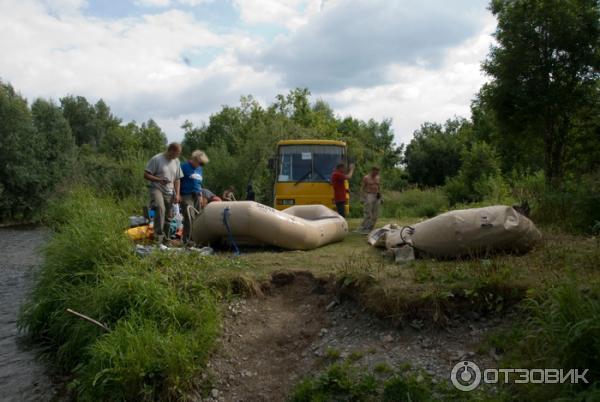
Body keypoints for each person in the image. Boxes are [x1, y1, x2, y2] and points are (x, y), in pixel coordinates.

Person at [144, 143, 184, 244]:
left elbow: (177, 179)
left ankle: (166, 240)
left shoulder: (176, 161)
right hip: (156, 188)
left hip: (169, 191)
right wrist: (159, 179)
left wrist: (177, 194)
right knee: (160, 209)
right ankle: (158, 240)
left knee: (169, 216)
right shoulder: (157, 159)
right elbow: (146, 174)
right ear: (170, 150)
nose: (177, 156)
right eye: (176, 153)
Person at [179, 150, 209, 243]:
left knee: (197, 217)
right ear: (195, 159)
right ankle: (187, 239)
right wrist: (178, 194)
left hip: (197, 194)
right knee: (189, 216)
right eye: (200, 163)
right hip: (186, 194)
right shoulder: (183, 167)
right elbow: (177, 181)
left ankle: (196, 238)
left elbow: (199, 183)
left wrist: (201, 195)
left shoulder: (199, 169)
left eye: (202, 164)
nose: (201, 165)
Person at [357, 166, 381, 233]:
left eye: (378, 172)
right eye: (376, 171)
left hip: (376, 195)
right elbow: (362, 187)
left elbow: (379, 187)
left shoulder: (378, 177)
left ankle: (370, 228)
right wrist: (362, 197)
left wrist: (380, 196)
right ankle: (364, 228)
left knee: (375, 214)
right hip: (369, 195)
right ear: (372, 170)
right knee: (368, 213)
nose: (377, 173)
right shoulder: (366, 178)